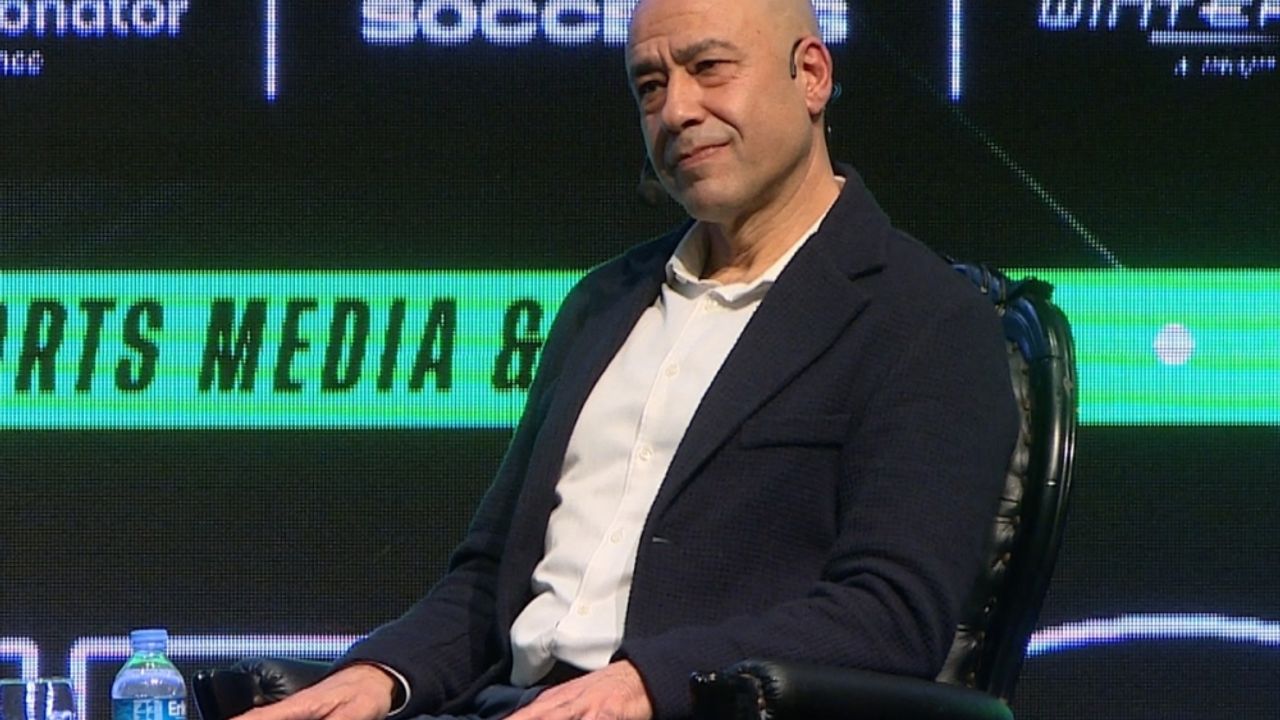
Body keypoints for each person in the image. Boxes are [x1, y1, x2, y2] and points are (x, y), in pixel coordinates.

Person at [239, 0, 1019, 718]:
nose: (677, 110)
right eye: (651, 85)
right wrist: (376, 675)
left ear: (810, 75)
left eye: (709, 68)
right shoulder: (603, 303)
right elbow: (488, 580)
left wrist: (647, 681)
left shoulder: (924, 319)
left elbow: (890, 615)